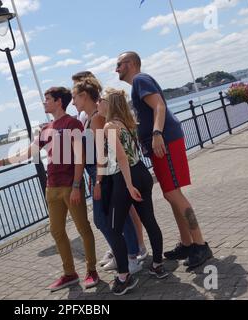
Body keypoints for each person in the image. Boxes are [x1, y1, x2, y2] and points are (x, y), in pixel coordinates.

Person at [0, 87, 99, 291]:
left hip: (70, 186)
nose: (44, 102)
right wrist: (1, 162)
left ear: (58, 101)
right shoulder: (47, 127)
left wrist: (75, 185)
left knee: (83, 228)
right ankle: (69, 273)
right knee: (56, 231)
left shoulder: (72, 123)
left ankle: (91, 271)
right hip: (52, 187)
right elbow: (29, 152)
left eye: (47, 99)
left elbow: (80, 156)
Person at [116, 51, 213, 268]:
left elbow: (159, 105)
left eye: (119, 64)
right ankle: (187, 243)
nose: (116, 69)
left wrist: (157, 134)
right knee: (171, 195)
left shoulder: (140, 80)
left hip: (165, 142)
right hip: (161, 143)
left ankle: (201, 244)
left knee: (172, 193)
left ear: (130, 64)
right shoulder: (138, 85)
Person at [72, 71, 148, 269]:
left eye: (74, 97)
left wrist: (98, 180)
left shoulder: (97, 119)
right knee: (112, 219)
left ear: (84, 96)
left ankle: (130, 254)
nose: (73, 102)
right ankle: (124, 253)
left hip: (103, 174)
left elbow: (103, 153)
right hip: (99, 173)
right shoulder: (90, 118)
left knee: (108, 219)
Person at [97, 88, 167, 296]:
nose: (98, 103)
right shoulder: (128, 123)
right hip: (142, 173)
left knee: (114, 229)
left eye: (100, 100)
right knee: (149, 220)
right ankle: (157, 265)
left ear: (109, 103)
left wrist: (128, 186)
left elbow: (121, 158)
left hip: (126, 179)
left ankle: (124, 277)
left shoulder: (110, 126)